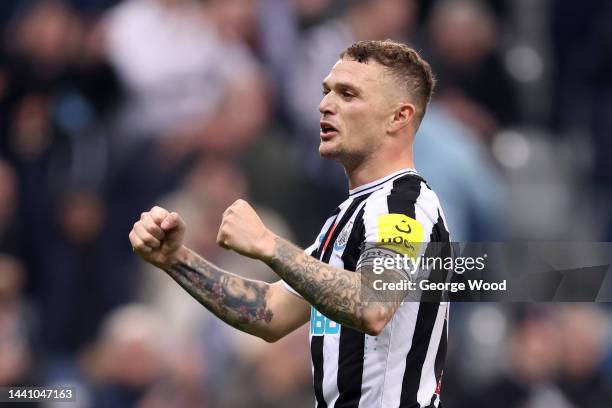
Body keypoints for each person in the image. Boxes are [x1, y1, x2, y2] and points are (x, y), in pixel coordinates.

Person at [129, 40, 449, 407]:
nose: (325, 105)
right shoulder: (348, 217)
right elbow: (269, 313)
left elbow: (373, 304)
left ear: (399, 117)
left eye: (348, 94)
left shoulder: (403, 205)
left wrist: (268, 244)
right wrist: (174, 259)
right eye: (326, 91)